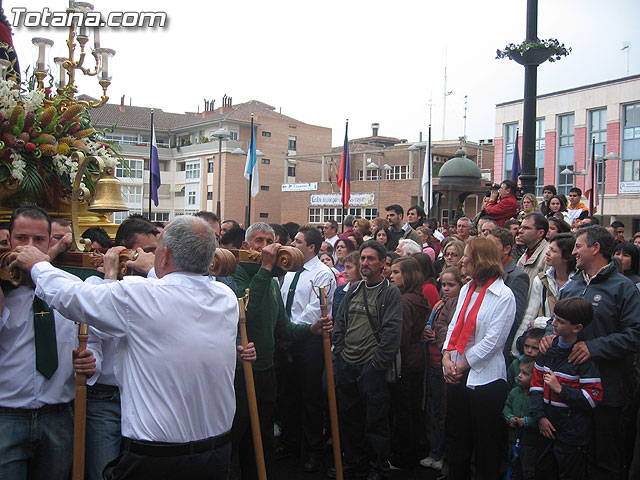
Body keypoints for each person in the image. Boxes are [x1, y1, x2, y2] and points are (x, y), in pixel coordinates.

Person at [11, 215, 248, 480]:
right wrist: (153, 269)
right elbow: (179, 291)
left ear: (165, 255)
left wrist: (38, 266)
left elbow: (72, 297)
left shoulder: (139, 296)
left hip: (156, 460)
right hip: (215, 454)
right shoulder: (225, 298)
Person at [541, 225, 640, 478]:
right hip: (568, 393)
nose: (573, 252)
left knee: (603, 459)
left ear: (595, 249)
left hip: (606, 391)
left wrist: (593, 347)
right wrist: (548, 337)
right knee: (567, 459)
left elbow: (634, 334)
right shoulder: (572, 287)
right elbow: (556, 321)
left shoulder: (623, 288)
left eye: (578, 246)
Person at [233, 222, 330, 479]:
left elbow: (283, 328)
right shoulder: (238, 273)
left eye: (270, 242)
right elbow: (247, 315)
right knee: (238, 434)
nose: (266, 247)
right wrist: (265, 269)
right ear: (246, 246)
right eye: (259, 242)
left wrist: (311, 330)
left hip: (266, 370)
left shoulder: (274, 281)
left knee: (264, 436)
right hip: (241, 371)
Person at [0, 205, 79, 479]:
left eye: (38, 240)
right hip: (7, 415)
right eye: (21, 239)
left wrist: (91, 358)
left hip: (57, 415)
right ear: (8, 240)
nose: (29, 247)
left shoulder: (69, 288)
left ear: (50, 242)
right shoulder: (2, 292)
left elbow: (91, 341)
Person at [442, 236, 516, 480]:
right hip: (457, 372)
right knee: (457, 440)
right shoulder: (467, 289)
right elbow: (454, 326)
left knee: (486, 446)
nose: (462, 261)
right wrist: (446, 357)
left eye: (467, 256)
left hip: (485, 379)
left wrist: (461, 365)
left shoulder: (503, 295)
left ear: (481, 260)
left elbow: (493, 342)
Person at [332, 240, 403, 480]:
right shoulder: (353, 289)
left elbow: (392, 334)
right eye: (363, 258)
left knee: (375, 422)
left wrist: (375, 366)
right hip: (347, 364)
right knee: (349, 420)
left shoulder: (390, 293)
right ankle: (354, 462)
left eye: (371, 259)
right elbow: (340, 322)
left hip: (371, 368)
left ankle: (377, 467)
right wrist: (340, 352)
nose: (365, 263)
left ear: (383, 263)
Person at [278, 226, 336, 473]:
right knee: (287, 395)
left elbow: (314, 311)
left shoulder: (323, 274)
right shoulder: (290, 271)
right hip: (287, 339)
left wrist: (291, 332)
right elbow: (282, 303)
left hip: (309, 343)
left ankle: (314, 450)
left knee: (310, 398)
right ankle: (290, 443)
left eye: (298, 241)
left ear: (311, 247)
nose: (293, 244)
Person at [531, 297, 603, 480]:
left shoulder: (582, 358)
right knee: (543, 471)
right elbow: (536, 386)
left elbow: (592, 397)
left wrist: (560, 389)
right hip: (546, 426)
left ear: (577, 327)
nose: (553, 324)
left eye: (560, 322)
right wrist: (540, 417)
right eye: (554, 318)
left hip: (572, 433)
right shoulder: (547, 350)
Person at [421, 267, 464, 472]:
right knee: (433, 408)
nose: (446, 289)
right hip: (432, 361)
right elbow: (430, 326)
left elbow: (452, 332)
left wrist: (438, 334)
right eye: (443, 285)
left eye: (451, 285)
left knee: (445, 412)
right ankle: (434, 451)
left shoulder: (460, 306)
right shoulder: (439, 305)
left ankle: (443, 454)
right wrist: (428, 332)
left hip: (448, 365)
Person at [388, 256, 429, 469]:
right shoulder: (417, 297)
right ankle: (412, 451)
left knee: (403, 410)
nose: (391, 276)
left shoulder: (404, 301)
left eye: (396, 272)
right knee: (412, 408)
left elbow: (400, 338)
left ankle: (403, 456)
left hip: (405, 361)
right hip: (416, 359)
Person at [513, 233, 576, 358]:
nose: (547, 253)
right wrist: (515, 348)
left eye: (553, 250)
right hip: (544, 344)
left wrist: (540, 321)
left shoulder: (578, 282)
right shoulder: (542, 280)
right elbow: (529, 314)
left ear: (567, 257)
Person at [486, 227, 530, 364]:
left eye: (492, 246)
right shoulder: (485, 273)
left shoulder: (517, 277)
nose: (487, 250)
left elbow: (514, 318)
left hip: (498, 348)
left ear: (506, 249)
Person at [502, 356, 540, 480]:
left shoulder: (537, 396)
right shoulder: (514, 392)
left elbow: (540, 416)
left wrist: (527, 421)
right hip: (513, 439)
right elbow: (506, 408)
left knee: (528, 470)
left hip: (529, 442)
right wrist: (509, 417)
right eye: (519, 372)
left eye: (525, 374)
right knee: (513, 467)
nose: (519, 376)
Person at [516, 213, 550, 293]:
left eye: (526, 228)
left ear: (540, 233)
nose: (520, 231)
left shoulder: (548, 256)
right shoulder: (525, 255)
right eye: (521, 227)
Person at [332, 251, 361, 317]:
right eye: (345, 267)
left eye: (349, 268)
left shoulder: (365, 290)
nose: (345, 271)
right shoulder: (339, 290)